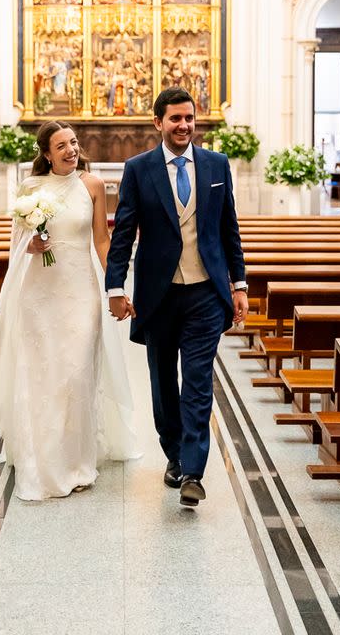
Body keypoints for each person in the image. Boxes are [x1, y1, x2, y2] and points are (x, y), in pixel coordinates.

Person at [0, 121, 138, 500]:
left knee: (76, 374)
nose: (70, 150)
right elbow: (17, 243)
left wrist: (116, 286)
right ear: (46, 153)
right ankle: (41, 457)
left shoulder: (92, 184)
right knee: (43, 374)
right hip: (40, 293)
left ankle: (76, 460)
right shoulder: (30, 189)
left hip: (81, 289)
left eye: (73, 143)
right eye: (61, 145)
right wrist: (33, 244)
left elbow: (101, 238)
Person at [105, 87, 248, 507]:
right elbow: (123, 233)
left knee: (199, 383)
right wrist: (116, 287)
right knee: (164, 382)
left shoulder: (217, 165)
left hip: (206, 292)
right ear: (158, 123)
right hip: (159, 294)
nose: (184, 125)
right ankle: (174, 453)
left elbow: (229, 229)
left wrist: (238, 284)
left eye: (189, 118)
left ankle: (193, 470)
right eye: (175, 119)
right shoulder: (138, 169)